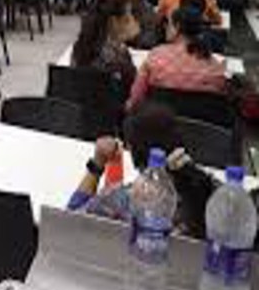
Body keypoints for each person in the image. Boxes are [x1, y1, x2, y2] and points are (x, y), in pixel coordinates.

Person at [68, 102, 218, 240]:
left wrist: (97, 164)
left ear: (133, 150)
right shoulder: (213, 190)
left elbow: (71, 219)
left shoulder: (125, 198)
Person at [128, 3, 227, 110]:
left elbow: (136, 99)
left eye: (169, 24)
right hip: (200, 120)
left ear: (177, 26)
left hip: (157, 118)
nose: (165, 27)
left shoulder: (155, 56)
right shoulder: (217, 70)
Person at [71, 0, 139, 101]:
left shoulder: (80, 47)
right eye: (128, 17)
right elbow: (134, 90)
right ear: (114, 22)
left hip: (80, 106)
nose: (132, 20)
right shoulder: (118, 57)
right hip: (111, 107)